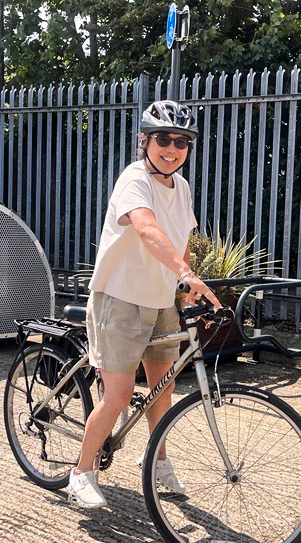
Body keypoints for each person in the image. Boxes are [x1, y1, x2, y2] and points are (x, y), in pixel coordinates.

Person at [68, 100, 221, 509]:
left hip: (158, 302)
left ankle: (156, 461)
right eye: (164, 139)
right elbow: (147, 227)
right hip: (118, 298)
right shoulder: (134, 179)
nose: (172, 148)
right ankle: (81, 472)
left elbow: (181, 240)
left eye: (182, 141)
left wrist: (183, 279)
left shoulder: (182, 186)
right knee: (117, 397)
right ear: (144, 140)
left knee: (162, 391)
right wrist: (186, 274)